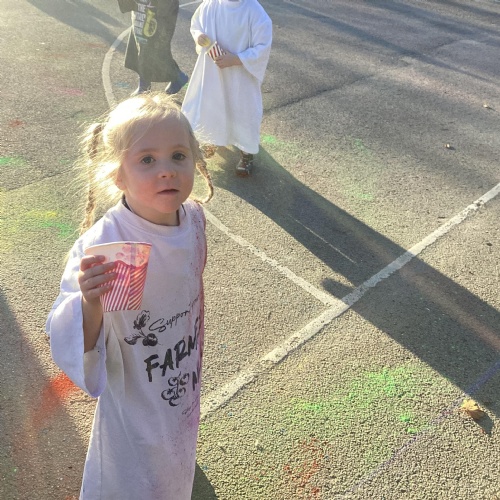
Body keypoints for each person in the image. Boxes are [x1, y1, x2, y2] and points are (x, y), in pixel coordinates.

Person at [45, 93, 213, 500]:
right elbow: (67, 336)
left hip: (180, 379)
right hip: (134, 401)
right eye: (147, 160)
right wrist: (90, 301)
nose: (167, 171)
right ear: (117, 175)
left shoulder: (193, 218)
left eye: (178, 155)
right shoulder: (108, 245)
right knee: (132, 480)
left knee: (174, 462)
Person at [181, 0, 272, 176]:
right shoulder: (211, 4)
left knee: (242, 111)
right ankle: (212, 139)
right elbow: (196, 23)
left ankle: (246, 152)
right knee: (213, 106)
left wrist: (237, 59)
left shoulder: (253, 11)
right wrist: (198, 35)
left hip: (240, 77)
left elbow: (263, 46)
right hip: (212, 72)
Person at [119, 0, 189, 95]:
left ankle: (177, 77)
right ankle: (145, 84)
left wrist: (163, 15)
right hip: (140, 8)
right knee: (139, 43)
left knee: (154, 48)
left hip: (157, 10)